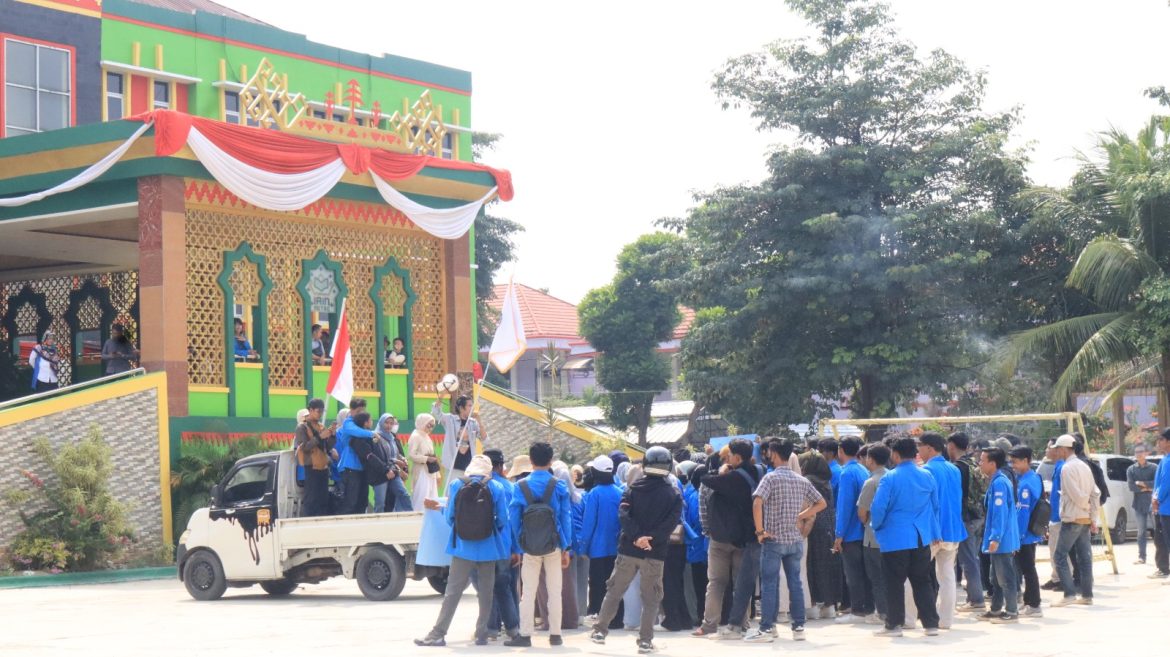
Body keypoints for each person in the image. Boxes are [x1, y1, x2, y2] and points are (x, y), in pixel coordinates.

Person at [590, 446, 682, 655]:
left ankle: (600, 631)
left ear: (645, 465)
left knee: (614, 591)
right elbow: (671, 523)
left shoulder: (632, 489)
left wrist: (637, 536)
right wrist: (651, 539)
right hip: (655, 553)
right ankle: (645, 641)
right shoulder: (673, 493)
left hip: (628, 550)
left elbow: (623, 515)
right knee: (651, 599)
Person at [415, 455, 510, 647]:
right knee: (485, 593)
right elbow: (502, 519)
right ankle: (482, 633)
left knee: (452, 592)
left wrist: (464, 530)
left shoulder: (456, 485)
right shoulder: (496, 487)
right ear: (489, 470)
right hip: (488, 547)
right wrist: (487, 531)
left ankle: (438, 633)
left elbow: (450, 517)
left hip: (462, 547)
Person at [745, 439, 826, 643]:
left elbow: (757, 503)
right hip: (795, 539)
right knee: (795, 583)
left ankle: (767, 628)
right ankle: (798, 627)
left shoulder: (770, 478)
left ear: (773, 453)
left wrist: (760, 531)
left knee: (770, 584)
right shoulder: (801, 480)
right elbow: (821, 503)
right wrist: (801, 516)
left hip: (773, 538)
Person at [870, 436, 941, 638]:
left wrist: (878, 526)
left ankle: (894, 625)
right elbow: (935, 507)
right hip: (920, 537)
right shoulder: (927, 476)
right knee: (922, 581)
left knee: (893, 583)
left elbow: (878, 508)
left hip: (895, 538)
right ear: (915, 453)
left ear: (895, 454)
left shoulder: (890, 478)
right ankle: (930, 624)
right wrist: (933, 532)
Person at [505, 442, 572, 648]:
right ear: (550, 461)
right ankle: (555, 634)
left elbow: (513, 519)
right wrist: (566, 547)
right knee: (554, 590)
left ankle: (525, 635)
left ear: (531, 461)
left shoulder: (521, 486)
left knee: (528, 592)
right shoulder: (558, 485)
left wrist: (518, 546)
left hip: (529, 547)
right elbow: (565, 517)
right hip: (554, 545)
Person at [702, 438, 763, 640]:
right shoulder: (759, 472)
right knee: (742, 583)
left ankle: (710, 624)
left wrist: (719, 470)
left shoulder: (730, 478)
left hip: (721, 538)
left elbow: (704, 479)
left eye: (728, 457)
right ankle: (743, 623)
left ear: (736, 457)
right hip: (747, 537)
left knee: (716, 583)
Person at [919, 432, 966, 629]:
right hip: (953, 529)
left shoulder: (926, 470)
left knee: (914, 574)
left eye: (920, 446)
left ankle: (909, 618)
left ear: (929, 448)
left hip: (933, 531)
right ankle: (946, 620)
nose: (918, 450)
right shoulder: (953, 469)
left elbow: (926, 504)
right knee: (947, 576)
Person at [1050, 434, 1099, 606]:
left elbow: (1077, 496)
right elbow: (1095, 493)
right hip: (1084, 518)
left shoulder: (1067, 468)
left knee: (1060, 556)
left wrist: (1084, 507)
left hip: (1073, 518)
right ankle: (1087, 595)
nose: (1056, 452)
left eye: (1057, 449)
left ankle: (1069, 594)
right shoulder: (1084, 466)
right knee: (1084, 559)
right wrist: (1092, 516)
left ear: (1063, 449)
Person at [976, 447, 1020, 623]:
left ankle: (1011, 612)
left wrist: (995, 537)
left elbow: (999, 513)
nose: (979, 463)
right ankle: (995, 609)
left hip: (1002, 539)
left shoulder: (1000, 483)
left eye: (982, 460)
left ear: (992, 463)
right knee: (996, 577)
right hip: (1000, 538)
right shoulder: (996, 481)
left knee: (1005, 577)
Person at [581, 455, 624, 628]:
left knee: (598, 584)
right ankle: (617, 618)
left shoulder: (594, 494)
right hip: (617, 547)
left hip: (597, 548)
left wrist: (583, 546)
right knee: (615, 584)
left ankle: (600, 617)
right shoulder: (621, 492)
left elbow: (589, 522)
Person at [536, 465, 581, 631]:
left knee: (546, 585)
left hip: (552, 542)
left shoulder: (553, 492)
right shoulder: (576, 496)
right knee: (568, 584)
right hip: (570, 544)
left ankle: (549, 621)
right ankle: (570, 620)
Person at [482, 449, 521, 641]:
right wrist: (516, 549)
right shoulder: (509, 487)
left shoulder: (481, 486)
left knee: (488, 588)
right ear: (500, 465)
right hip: (506, 546)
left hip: (484, 547)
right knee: (509, 587)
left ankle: (492, 628)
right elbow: (513, 522)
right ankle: (514, 626)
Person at [799, 448, 842, 620]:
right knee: (827, 566)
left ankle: (812, 606)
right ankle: (829, 605)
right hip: (828, 527)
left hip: (813, 527)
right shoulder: (826, 481)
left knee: (811, 567)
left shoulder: (807, 481)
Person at [833, 436, 872, 624]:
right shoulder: (863, 469)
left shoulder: (846, 473)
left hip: (851, 532)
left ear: (840, 451)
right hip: (864, 530)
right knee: (865, 573)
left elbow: (844, 506)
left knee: (853, 573)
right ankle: (867, 608)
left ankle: (857, 610)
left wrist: (839, 534)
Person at [947, 432, 987, 611]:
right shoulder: (973, 463)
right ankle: (975, 596)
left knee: (968, 559)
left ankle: (976, 599)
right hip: (978, 515)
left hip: (966, 518)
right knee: (973, 557)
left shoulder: (957, 467)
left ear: (952, 446)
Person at [857, 443, 891, 624]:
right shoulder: (892, 477)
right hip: (892, 537)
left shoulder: (871, 482)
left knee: (876, 578)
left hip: (873, 538)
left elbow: (862, 513)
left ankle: (882, 613)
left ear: (870, 459)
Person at [1009, 445, 1043, 616]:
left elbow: (1023, 513)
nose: (1012, 465)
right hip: (1032, 531)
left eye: (1015, 462)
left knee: (1028, 570)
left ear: (1025, 461)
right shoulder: (1035, 477)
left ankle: (1035, 604)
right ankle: (1029, 601)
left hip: (1025, 534)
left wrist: (1019, 536)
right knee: (1028, 568)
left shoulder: (1025, 484)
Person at [432, 391, 487, 488]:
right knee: (452, 492)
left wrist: (479, 421)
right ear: (461, 408)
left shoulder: (473, 422)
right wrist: (442, 395)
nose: (472, 408)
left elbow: (485, 439)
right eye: (469, 405)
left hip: (469, 466)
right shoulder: (450, 419)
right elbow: (436, 412)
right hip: (453, 465)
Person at [292, 398, 336, 517]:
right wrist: (320, 437)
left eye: (322, 411)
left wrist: (332, 435)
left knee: (323, 499)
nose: (320, 414)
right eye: (318, 411)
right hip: (310, 466)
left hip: (323, 466)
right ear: (310, 410)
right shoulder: (302, 427)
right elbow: (304, 447)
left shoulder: (321, 426)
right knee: (311, 499)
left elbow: (327, 447)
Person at [334, 399, 375, 514]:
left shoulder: (362, 425)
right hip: (351, 468)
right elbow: (358, 432)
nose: (360, 414)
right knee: (351, 501)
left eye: (363, 411)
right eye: (358, 411)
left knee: (362, 501)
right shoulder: (348, 423)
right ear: (351, 411)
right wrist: (372, 433)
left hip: (362, 468)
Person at [684, 463, 710, 627]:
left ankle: (700, 616)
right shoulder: (698, 495)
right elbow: (698, 521)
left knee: (699, 585)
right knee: (702, 586)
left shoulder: (692, 494)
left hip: (695, 548)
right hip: (700, 546)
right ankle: (702, 616)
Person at [374, 413, 412, 512]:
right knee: (380, 503)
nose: (389, 426)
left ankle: (412, 517)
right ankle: (376, 525)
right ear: (381, 423)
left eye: (391, 423)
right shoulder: (376, 437)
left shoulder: (392, 438)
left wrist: (401, 458)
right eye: (386, 423)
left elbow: (394, 453)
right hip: (381, 473)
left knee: (404, 494)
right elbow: (379, 456)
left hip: (394, 471)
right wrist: (396, 461)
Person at [1127, 443, 1157, 565]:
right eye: (1136, 452)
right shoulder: (1131, 469)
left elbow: (1156, 483)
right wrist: (1147, 488)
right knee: (1141, 532)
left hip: (1153, 504)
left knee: (1158, 531)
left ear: (1146, 453)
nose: (1139, 454)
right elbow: (1131, 486)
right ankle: (1141, 557)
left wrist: (1142, 483)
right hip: (1138, 505)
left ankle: (1162, 557)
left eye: (1141, 451)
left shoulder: (1154, 468)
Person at [408, 413, 440, 511]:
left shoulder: (426, 437)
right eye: (428, 425)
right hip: (422, 471)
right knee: (421, 498)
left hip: (431, 471)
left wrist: (437, 473)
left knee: (432, 497)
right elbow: (411, 455)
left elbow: (432, 454)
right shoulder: (416, 436)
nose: (430, 428)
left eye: (432, 426)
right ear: (422, 423)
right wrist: (426, 459)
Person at [1152, 429, 1170, 578]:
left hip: (1166, 508)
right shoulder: (1165, 458)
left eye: (1161, 440)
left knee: (1166, 540)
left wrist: (1156, 499)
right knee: (1161, 540)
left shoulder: (1169, 460)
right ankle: (1163, 569)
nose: (1159, 443)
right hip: (1163, 507)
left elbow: (1165, 484)